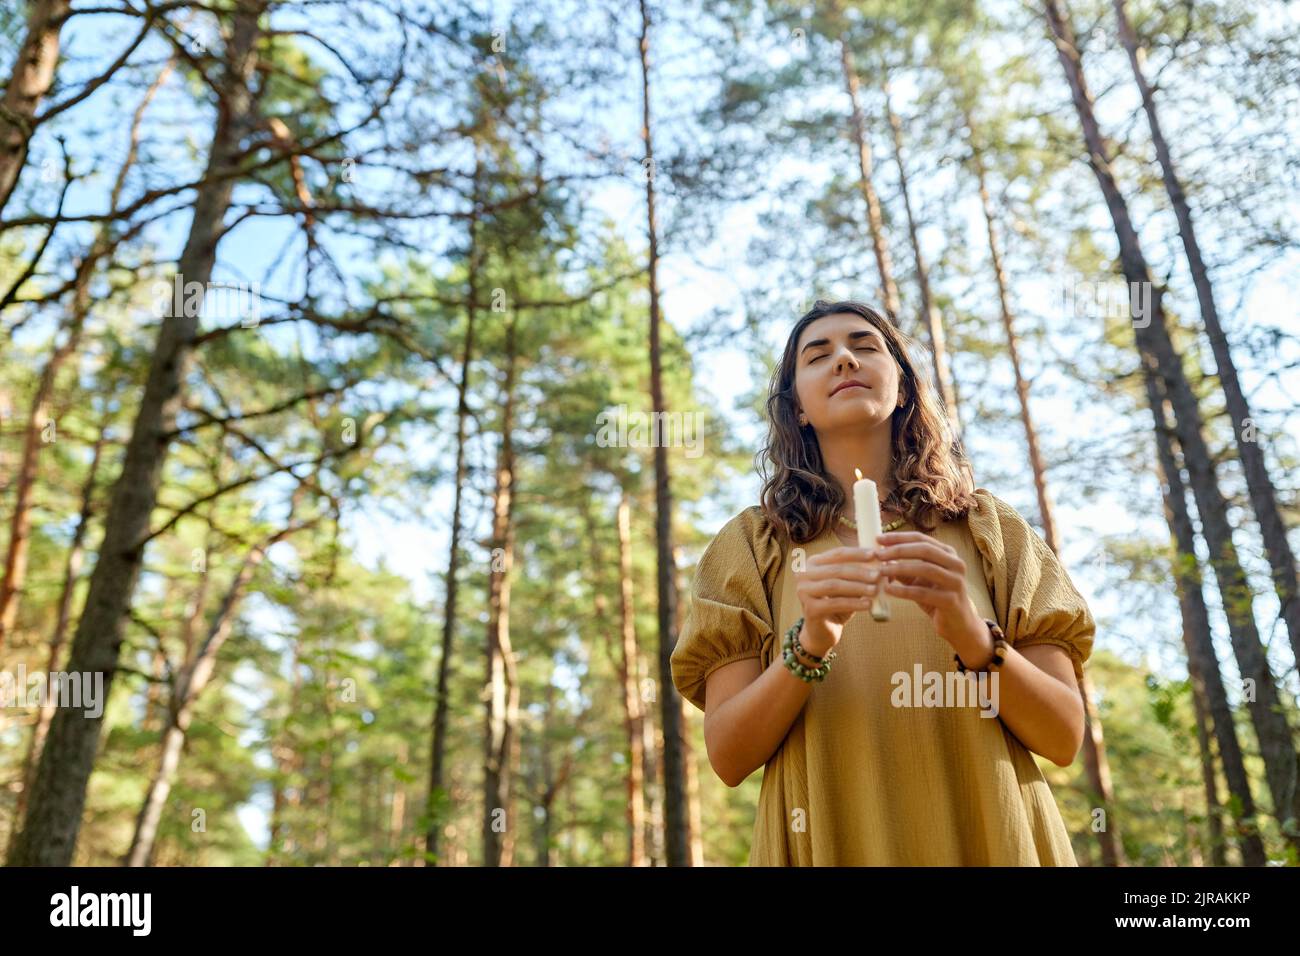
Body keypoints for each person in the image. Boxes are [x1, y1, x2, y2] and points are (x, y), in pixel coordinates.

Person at [670, 299, 1096, 865]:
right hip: (828, 835)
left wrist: (973, 635)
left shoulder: (990, 528)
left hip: (992, 832)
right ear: (797, 408)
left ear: (901, 388)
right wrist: (809, 643)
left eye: (865, 346)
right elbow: (729, 756)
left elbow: (1063, 737)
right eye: (818, 356)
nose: (844, 359)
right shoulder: (751, 545)